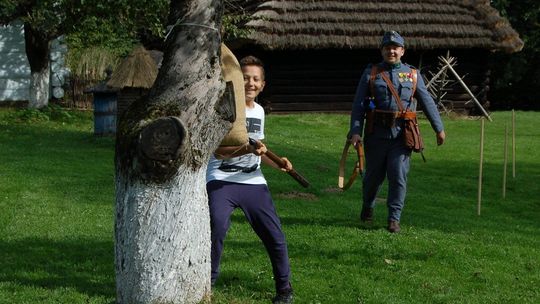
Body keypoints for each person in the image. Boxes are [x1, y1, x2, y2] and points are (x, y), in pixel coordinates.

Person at [206, 55, 294, 304]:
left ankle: (284, 289)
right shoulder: (225, 109)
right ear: (235, 80)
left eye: (256, 79)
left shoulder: (260, 111)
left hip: (253, 181)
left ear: (263, 84)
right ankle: (207, 284)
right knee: (217, 225)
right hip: (220, 178)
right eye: (245, 78)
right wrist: (247, 150)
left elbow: (259, 149)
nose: (250, 83)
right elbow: (218, 151)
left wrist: (278, 162)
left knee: (274, 234)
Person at [349, 31, 446, 233]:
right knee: (372, 178)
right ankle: (368, 207)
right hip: (376, 135)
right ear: (382, 50)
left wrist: (439, 128)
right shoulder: (371, 73)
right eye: (387, 47)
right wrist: (355, 131)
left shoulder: (413, 74)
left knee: (398, 175)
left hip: (402, 135)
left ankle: (394, 219)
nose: (391, 51)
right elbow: (358, 105)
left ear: (402, 51)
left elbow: (427, 101)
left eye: (395, 48)